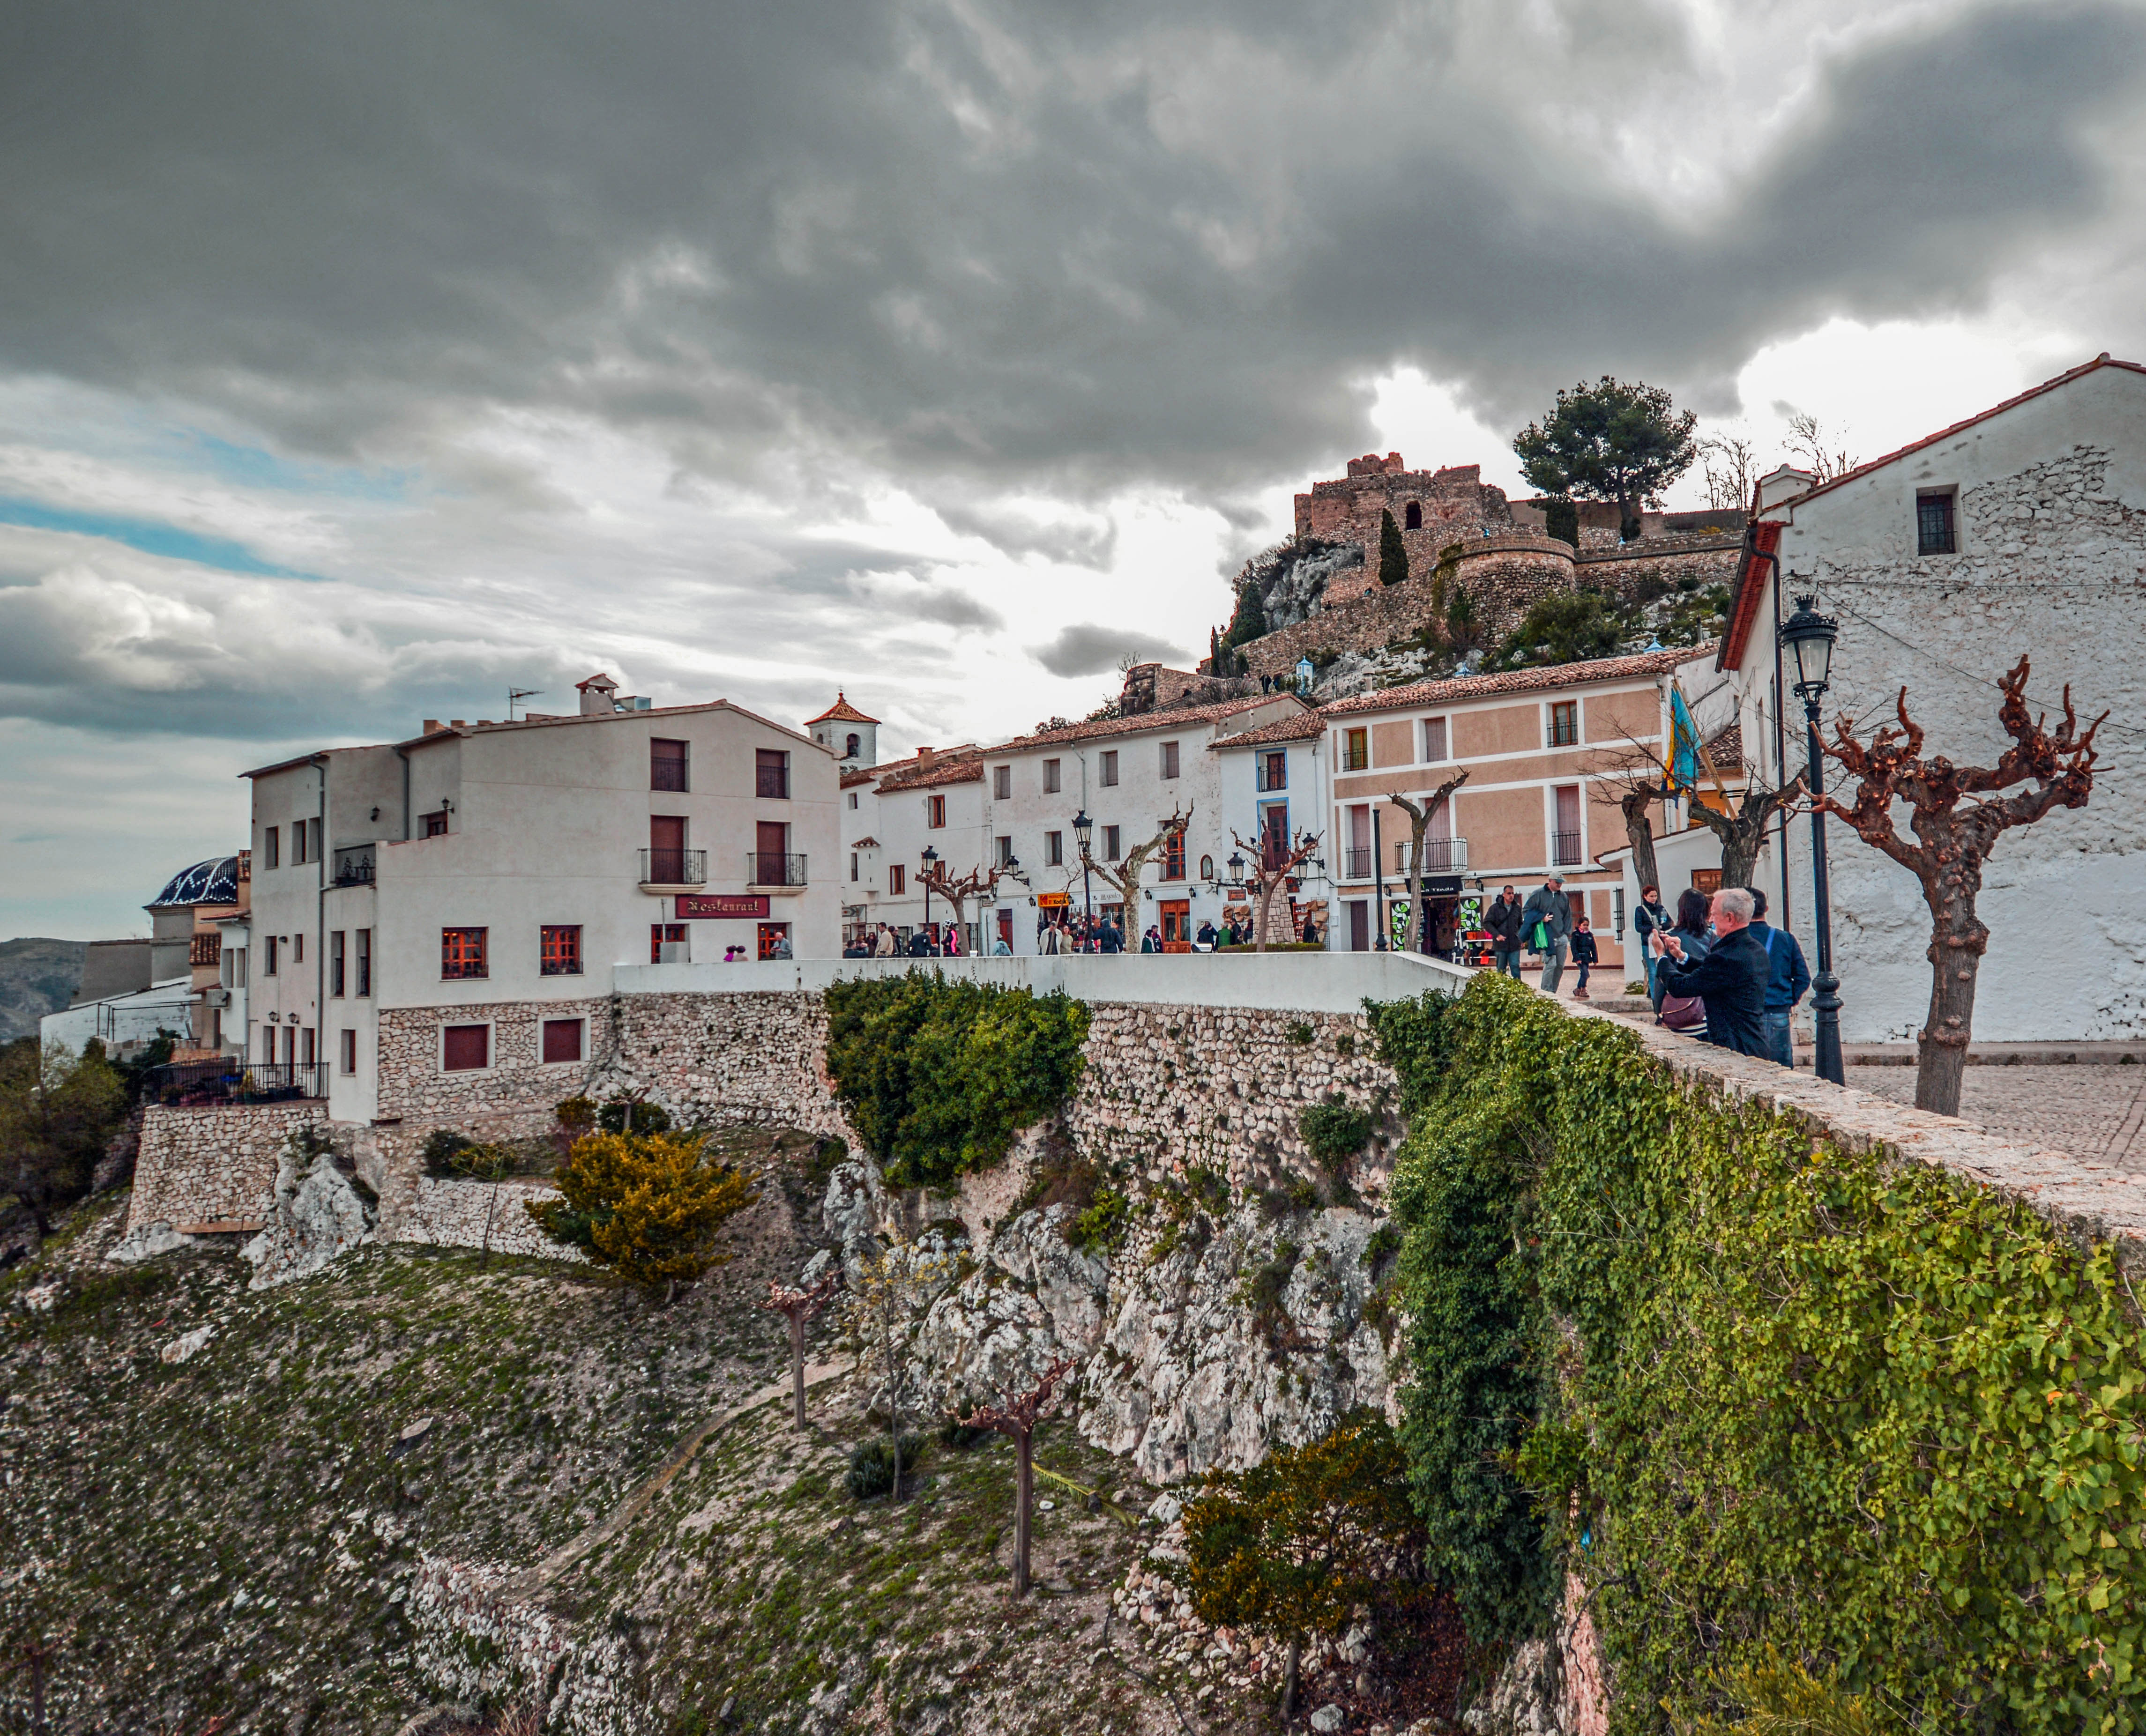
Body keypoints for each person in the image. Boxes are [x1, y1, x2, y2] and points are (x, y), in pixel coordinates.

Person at [1655, 887, 1770, 1057]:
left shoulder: (1726, 956)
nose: (1710, 919)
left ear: (1730, 918)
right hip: (1754, 1041)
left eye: (1714, 914)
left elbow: (1679, 987)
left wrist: (1661, 956)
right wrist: (1681, 956)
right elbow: (1715, 973)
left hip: (1736, 1046)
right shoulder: (1754, 949)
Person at [1747, 890, 1811, 1068]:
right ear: (1766, 909)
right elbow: (1803, 977)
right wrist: (1789, 999)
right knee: (1781, 1069)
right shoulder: (1785, 939)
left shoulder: (1737, 940)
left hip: (1748, 1013)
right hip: (1778, 1010)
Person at [1520, 875, 1573, 993]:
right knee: (1551, 965)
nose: (1559, 884)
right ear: (1550, 881)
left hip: (1562, 937)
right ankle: (1546, 993)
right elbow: (1526, 912)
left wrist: (1567, 933)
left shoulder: (1564, 897)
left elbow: (1568, 915)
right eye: (1557, 882)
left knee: (1560, 966)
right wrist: (1541, 918)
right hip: (1546, 936)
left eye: (1561, 882)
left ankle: (1553, 992)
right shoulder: (1538, 894)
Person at [1633, 884, 1669, 1002]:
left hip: (1661, 942)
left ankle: (1659, 992)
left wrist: (1662, 927)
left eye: (1655, 896)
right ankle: (1655, 998)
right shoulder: (1640, 910)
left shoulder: (1661, 909)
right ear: (1645, 897)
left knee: (1662, 968)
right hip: (1647, 943)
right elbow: (1639, 928)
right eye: (1651, 896)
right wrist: (1652, 929)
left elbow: (1669, 922)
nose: (1654, 899)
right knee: (1653, 970)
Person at [1485, 885, 1524, 980]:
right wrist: (1497, 935)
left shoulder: (1517, 908)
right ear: (1504, 895)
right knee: (1501, 970)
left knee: (1515, 967)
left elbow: (1521, 924)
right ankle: (1501, 989)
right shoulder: (1495, 908)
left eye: (1513, 893)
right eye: (1509, 893)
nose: (1511, 896)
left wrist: (1522, 938)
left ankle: (1518, 988)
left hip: (1514, 943)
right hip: (1500, 945)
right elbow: (1487, 923)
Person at [1569, 917, 1598, 1000]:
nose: (1586, 927)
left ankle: (1578, 989)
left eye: (1587, 925)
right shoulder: (1576, 935)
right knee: (1586, 974)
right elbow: (1574, 947)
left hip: (1587, 957)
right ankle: (1583, 989)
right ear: (1580, 925)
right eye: (1584, 925)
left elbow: (1593, 947)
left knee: (1583, 974)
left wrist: (1595, 959)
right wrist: (1577, 958)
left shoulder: (1590, 935)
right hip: (1580, 958)